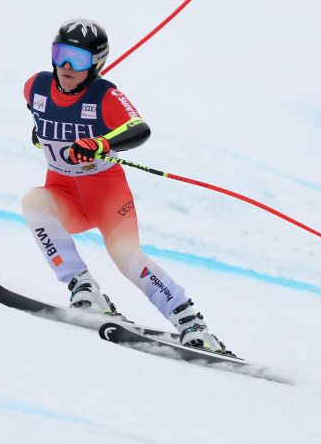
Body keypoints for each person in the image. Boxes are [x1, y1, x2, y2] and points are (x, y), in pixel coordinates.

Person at [20, 18, 230, 354]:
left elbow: (139, 129)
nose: (67, 66)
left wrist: (101, 143)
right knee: (33, 201)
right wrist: (42, 138)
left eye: (79, 59)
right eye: (61, 54)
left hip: (106, 195)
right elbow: (43, 126)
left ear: (97, 63)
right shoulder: (35, 87)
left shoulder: (106, 95)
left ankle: (193, 324)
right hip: (65, 196)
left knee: (125, 255)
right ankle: (84, 289)